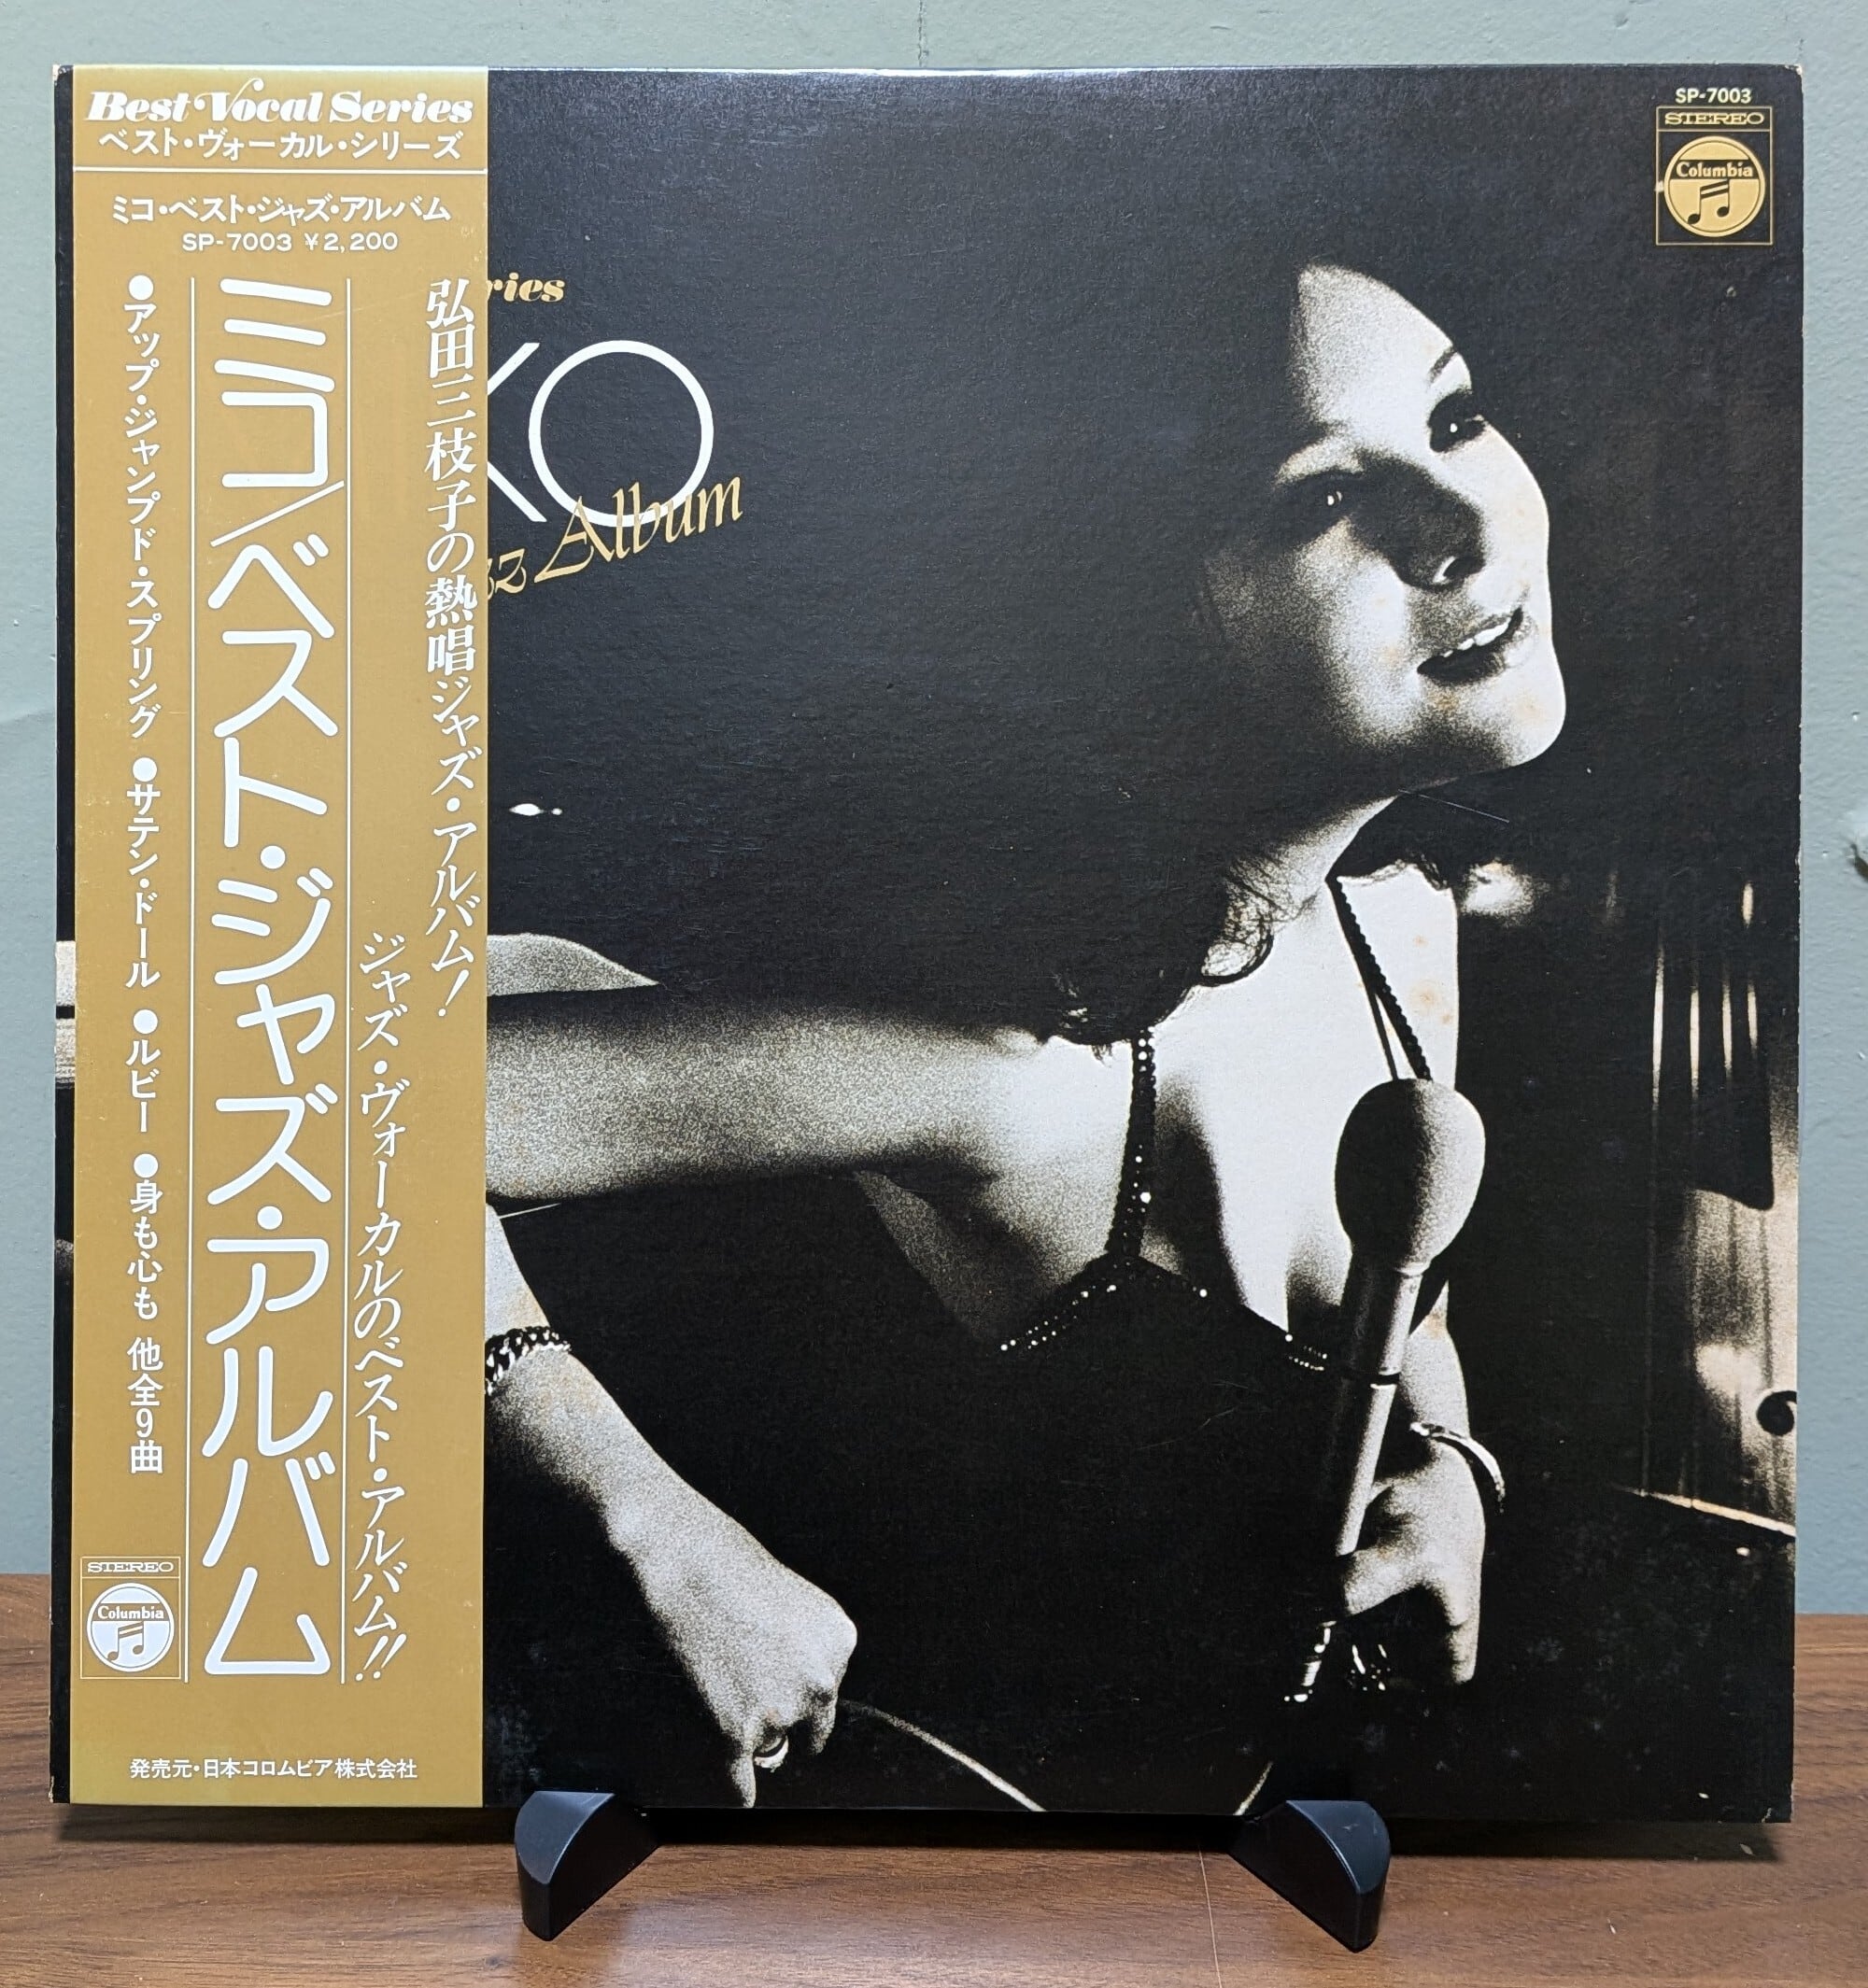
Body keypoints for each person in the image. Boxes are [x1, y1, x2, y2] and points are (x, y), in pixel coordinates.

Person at [478, 258, 1565, 1812]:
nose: (1460, 520)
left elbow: (1399, 1315)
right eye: (1322, 496)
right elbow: (323, 1103)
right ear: (1136, 614)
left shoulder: (1401, 922)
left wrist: (1452, 1470)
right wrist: (643, 1522)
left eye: (1454, 418)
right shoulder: (1021, 1070)